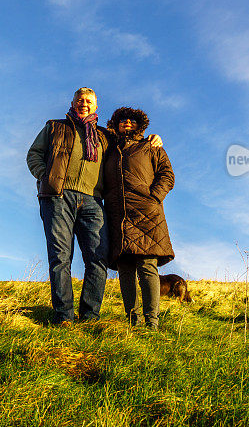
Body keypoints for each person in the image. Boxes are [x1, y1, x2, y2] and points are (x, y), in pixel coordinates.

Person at [27, 88, 161, 325]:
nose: (84, 104)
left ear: (96, 107)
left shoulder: (105, 136)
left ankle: (90, 316)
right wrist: (45, 177)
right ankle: (64, 316)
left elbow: (129, 144)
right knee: (60, 257)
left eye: (89, 101)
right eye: (80, 100)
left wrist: (153, 139)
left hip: (93, 201)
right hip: (58, 197)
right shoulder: (54, 127)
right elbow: (34, 154)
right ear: (72, 103)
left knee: (98, 259)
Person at [103, 107, 175, 331]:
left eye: (132, 120)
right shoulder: (109, 149)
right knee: (124, 268)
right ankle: (132, 321)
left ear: (139, 125)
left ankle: (152, 321)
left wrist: (154, 196)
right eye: (122, 120)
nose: (127, 122)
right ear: (115, 124)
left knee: (147, 265)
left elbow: (167, 174)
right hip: (118, 213)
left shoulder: (151, 146)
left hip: (147, 212)